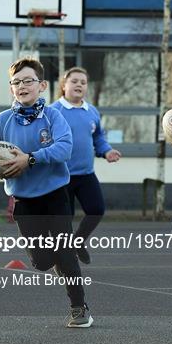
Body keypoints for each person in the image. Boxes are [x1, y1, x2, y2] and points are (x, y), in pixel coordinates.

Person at [0, 57, 93, 327]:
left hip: (55, 195)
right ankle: (52, 257)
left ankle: (79, 307)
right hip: (24, 200)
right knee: (43, 261)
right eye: (16, 82)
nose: (22, 86)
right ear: (11, 88)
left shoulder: (53, 116)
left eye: (28, 81)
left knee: (65, 253)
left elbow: (64, 149)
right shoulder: (3, 120)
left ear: (42, 85)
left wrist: (30, 158)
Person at [51, 67, 121, 264]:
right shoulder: (53, 111)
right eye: (74, 81)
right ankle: (63, 260)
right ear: (64, 85)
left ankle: (78, 241)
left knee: (96, 209)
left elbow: (98, 137)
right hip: (60, 175)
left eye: (83, 82)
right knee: (65, 219)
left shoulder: (92, 111)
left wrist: (107, 151)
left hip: (86, 174)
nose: (79, 85)